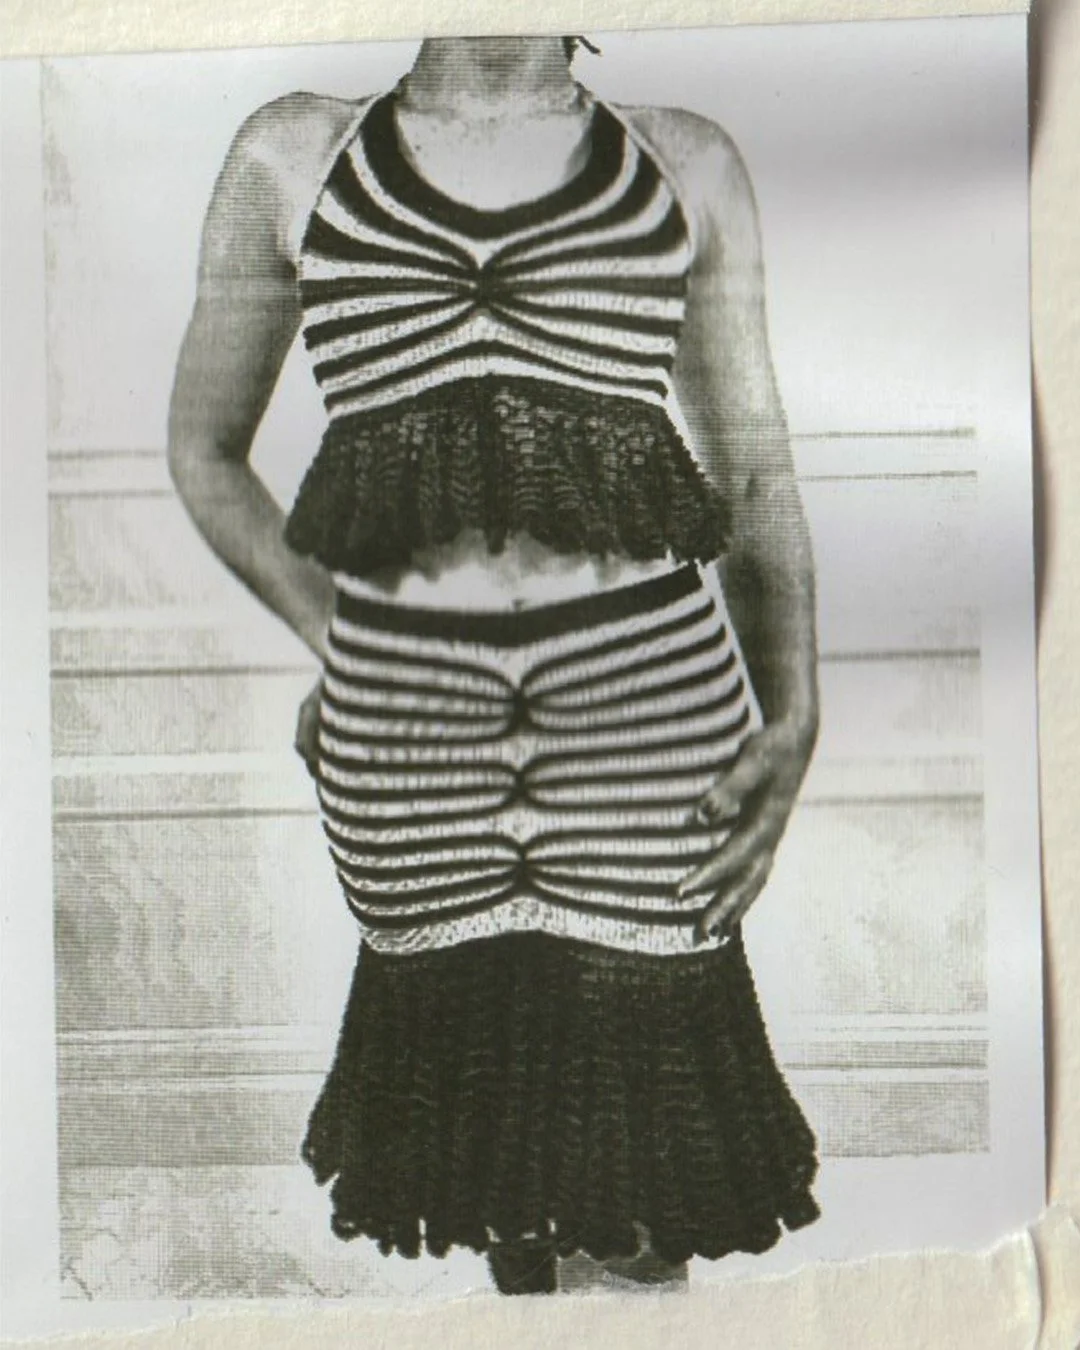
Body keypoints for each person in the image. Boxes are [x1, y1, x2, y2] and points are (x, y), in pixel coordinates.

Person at [167, 33, 821, 1294]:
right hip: (413, 740)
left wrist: (795, 714)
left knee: (640, 1213)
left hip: (645, 716)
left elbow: (754, 477)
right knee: (500, 1189)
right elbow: (203, 449)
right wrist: (339, 636)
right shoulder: (291, 156)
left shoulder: (683, 163)